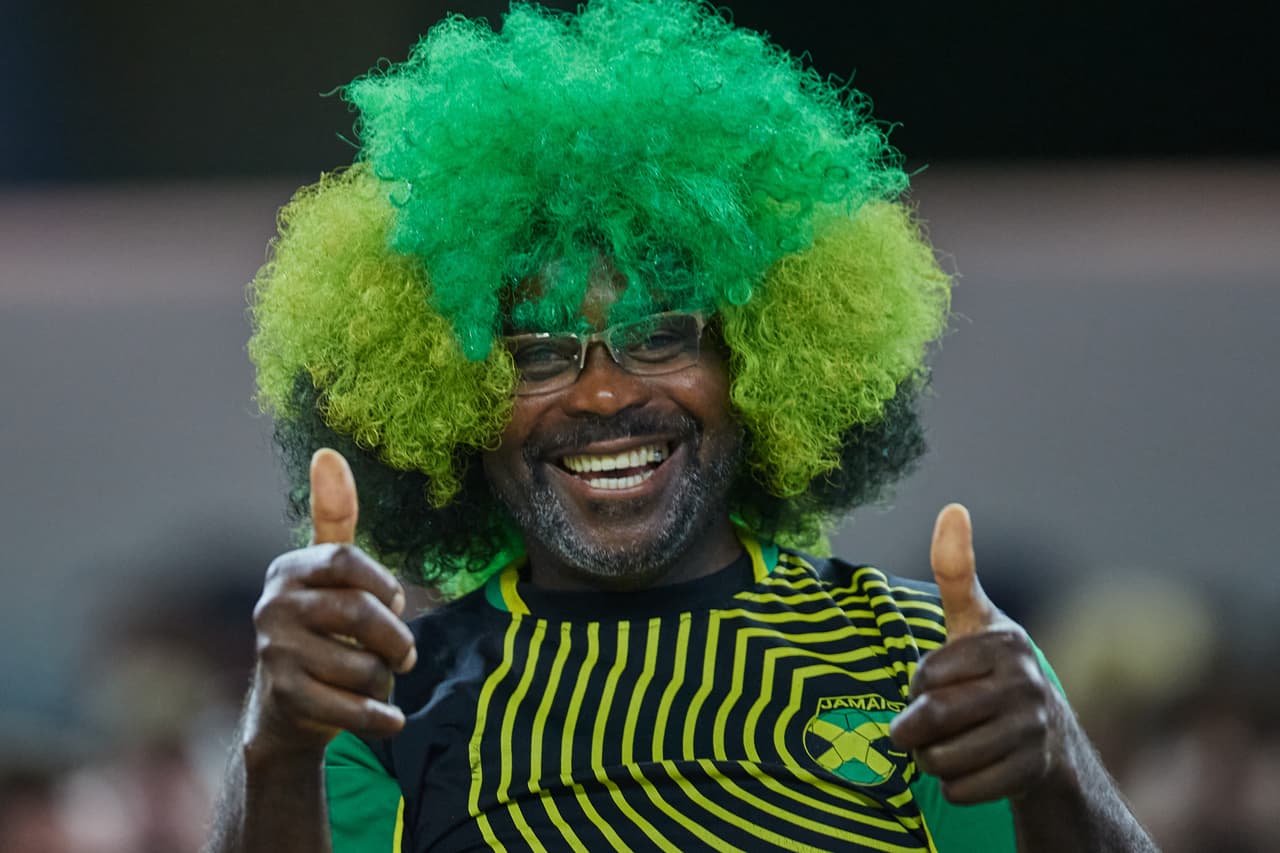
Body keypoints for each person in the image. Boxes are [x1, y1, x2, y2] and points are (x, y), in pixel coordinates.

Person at [207, 1, 1157, 850]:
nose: (604, 394)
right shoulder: (384, 706)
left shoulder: (922, 660)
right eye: (537, 353)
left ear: (759, 356)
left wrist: (1058, 772)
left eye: (660, 334)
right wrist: (278, 749)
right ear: (453, 398)